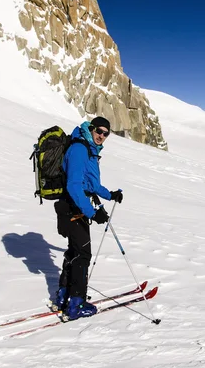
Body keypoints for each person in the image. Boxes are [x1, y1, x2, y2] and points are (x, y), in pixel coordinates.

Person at [53, 116, 124, 320]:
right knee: (83, 254)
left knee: (75, 251)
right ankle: (76, 303)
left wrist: (110, 195)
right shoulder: (80, 150)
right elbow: (74, 186)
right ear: (90, 129)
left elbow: (90, 184)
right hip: (73, 208)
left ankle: (64, 295)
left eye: (106, 133)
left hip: (74, 207)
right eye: (99, 131)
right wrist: (92, 212)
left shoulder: (89, 149)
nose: (102, 135)